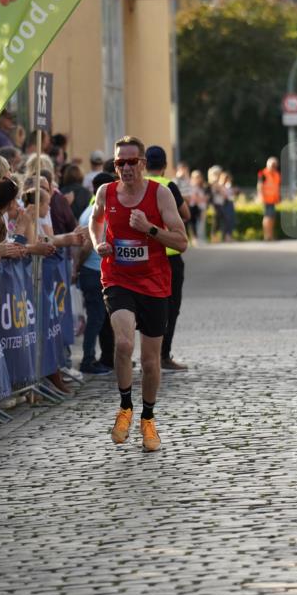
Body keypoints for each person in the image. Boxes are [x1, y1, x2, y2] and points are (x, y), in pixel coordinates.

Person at [89, 135, 188, 452]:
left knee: (149, 361)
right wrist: (98, 243)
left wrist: (149, 229)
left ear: (143, 164)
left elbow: (181, 242)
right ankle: (125, 407)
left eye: (132, 162)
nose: (126, 168)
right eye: (120, 163)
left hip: (155, 283)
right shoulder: (106, 192)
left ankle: (147, 417)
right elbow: (95, 220)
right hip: (118, 278)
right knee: (123, 342)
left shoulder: (161, 195)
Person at [145, 145, 191, 371]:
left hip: (144, 255)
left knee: (144, 305)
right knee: (171, 307)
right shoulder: (168, 186)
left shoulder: (139, 187)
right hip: (169, 255)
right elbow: (186, 214)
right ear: (164, 166)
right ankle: (163, 356)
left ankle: (145, 356)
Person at [74, 171, 116, 375]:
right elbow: (87, 245)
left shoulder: (91, 210)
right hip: (93, 272)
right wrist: (77, 267)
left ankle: (96, 358)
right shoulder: (96, 213)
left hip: (94, 271)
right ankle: (87, 360)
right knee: (96, 318)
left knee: (98, 317)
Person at [257, 157, 281, 241]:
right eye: (272, 165)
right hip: (266, 199)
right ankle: (266, 236)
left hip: (273, 199)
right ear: (268, 165)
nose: (273, 167)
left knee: (272, 218)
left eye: (275, 165)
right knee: (267, 217)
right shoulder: (263, 173)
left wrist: (278, 198)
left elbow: (277, 187)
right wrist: (260, 196)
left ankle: (270, 235)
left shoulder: (277, 174)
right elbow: (259, 186)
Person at [187, 169, 208, 244]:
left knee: (201, 224)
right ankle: (194, 239)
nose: (197, 179)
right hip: (194, 207)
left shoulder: (202, 186)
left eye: (198, 177)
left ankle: (201, 239)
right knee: (194, 223)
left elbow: (206, 198)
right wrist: (201, 199)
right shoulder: (191, 186)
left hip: (201, 208)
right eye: (196, 177)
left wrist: (202, 199)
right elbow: (194, 197)